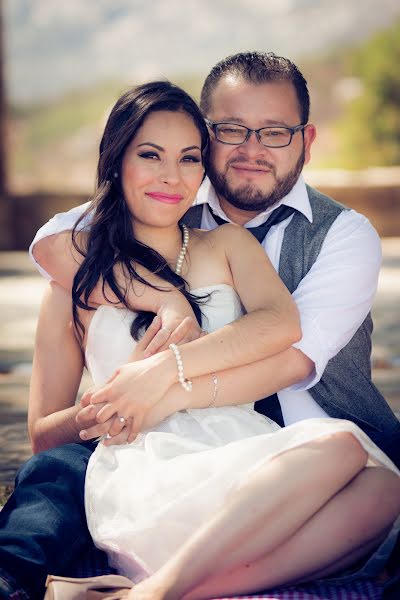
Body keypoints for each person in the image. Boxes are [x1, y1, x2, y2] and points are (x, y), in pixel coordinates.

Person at [0, 51, 397, 598]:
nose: (252, 149)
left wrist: (162, 377)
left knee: (378, 481)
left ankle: (155, 591)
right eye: (232, 130)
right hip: (157, 459)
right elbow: (50, 242)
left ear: (306, 141)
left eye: (275, 132)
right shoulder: (134, 228)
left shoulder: (338, 235)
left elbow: (290, 349)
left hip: (274, 445)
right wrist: (158, 299)